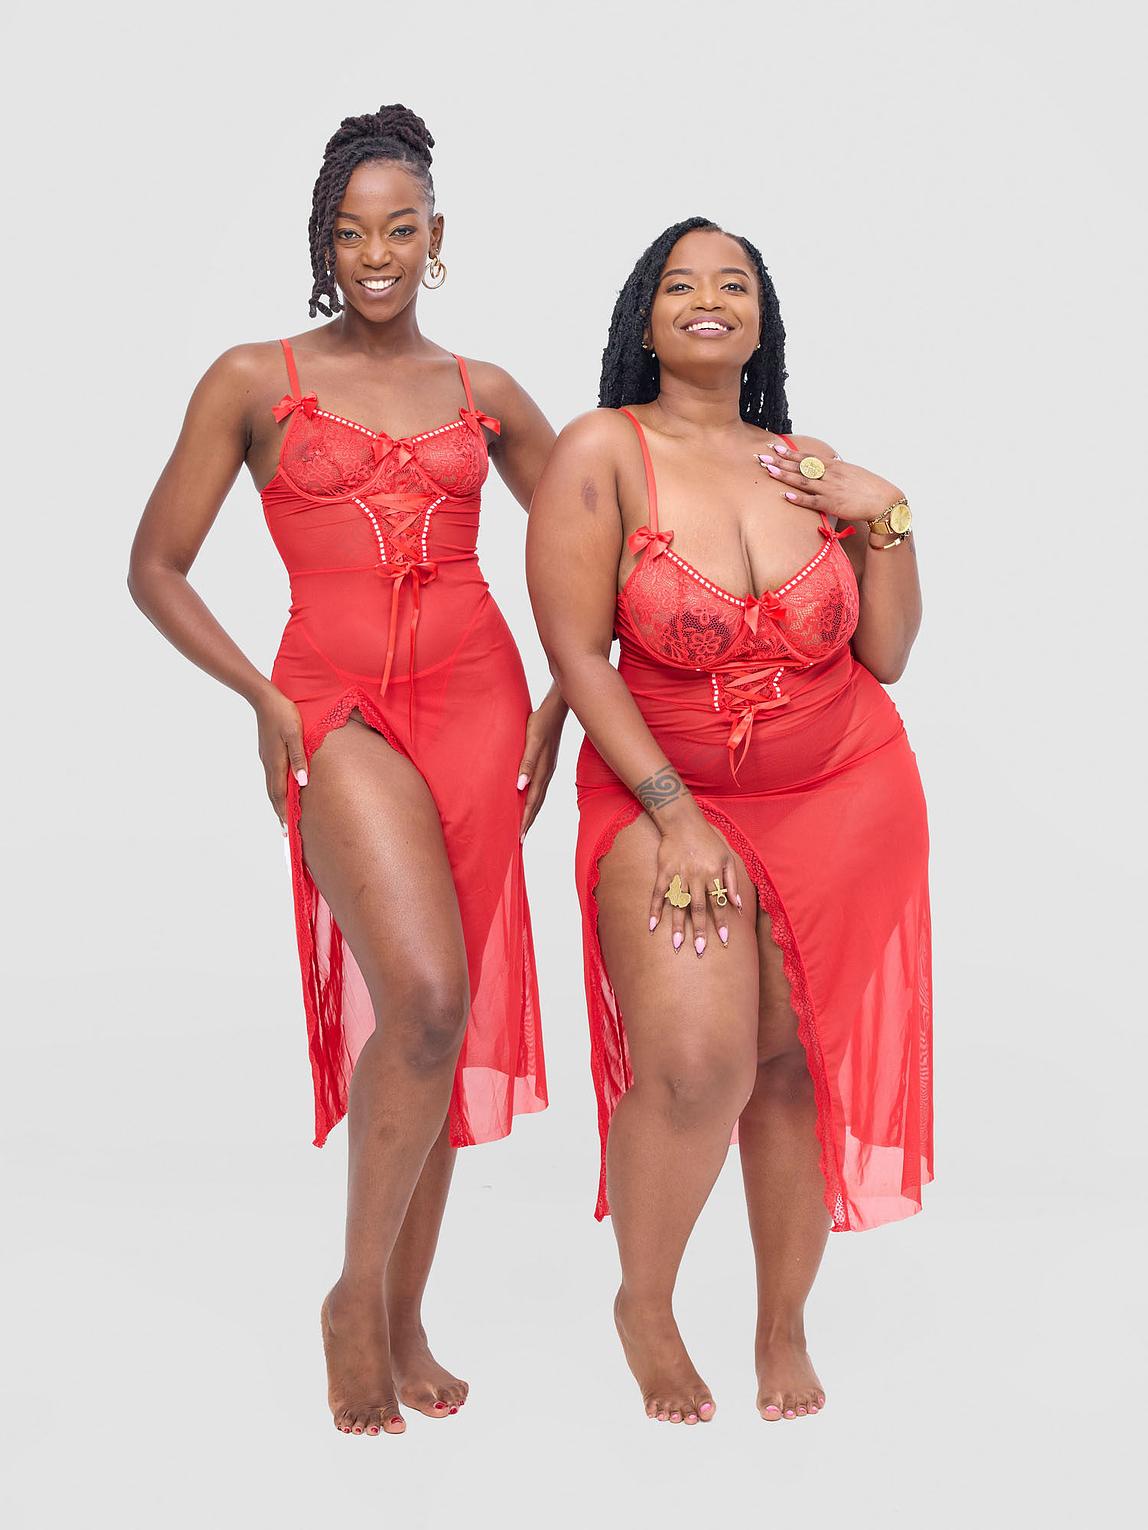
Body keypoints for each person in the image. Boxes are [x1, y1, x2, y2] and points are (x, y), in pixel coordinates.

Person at [128, 104, 563, 1437]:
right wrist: (262, 696)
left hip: (478, 705)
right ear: (323, 240)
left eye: (400, 228)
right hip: (334, 706)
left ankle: (406, 1312)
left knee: (438, 1024)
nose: (377, 254)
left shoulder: (486, 391)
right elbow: (156, 566)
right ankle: (351, 1303)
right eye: (352, 231)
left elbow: (603, 535)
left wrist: (566, 690)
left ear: (436, 238)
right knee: (422, 993)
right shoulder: (252, 379)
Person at [526, 216, 931, 1426]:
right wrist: (673, 812)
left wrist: (887, 514)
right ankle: (645, 1306)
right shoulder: (603, 448)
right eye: (679, 284)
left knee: (791, 1068)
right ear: (644, 320)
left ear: (761, 320)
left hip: (844, 793)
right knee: (698, 1067)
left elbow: (886, 654)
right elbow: (576, 652)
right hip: (662, 795)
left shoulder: (806, 465)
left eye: (733, 284)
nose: (707, 298)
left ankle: (780, 1322)